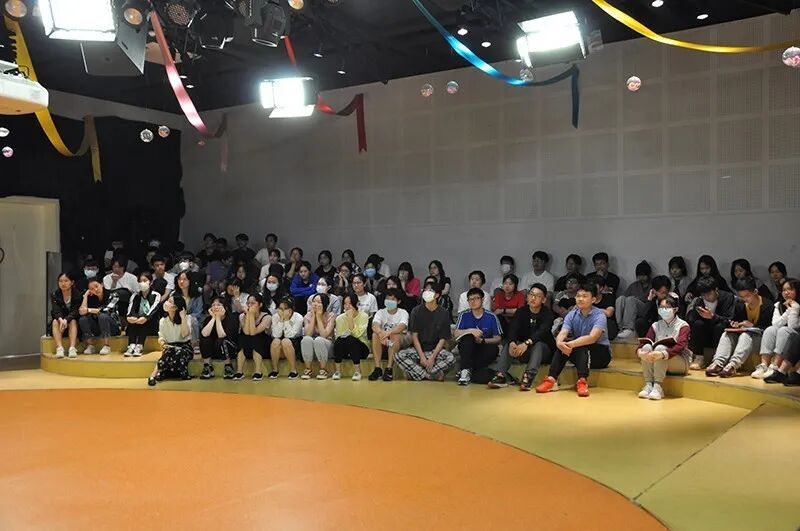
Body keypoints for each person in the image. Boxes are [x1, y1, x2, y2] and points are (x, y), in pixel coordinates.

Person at [536, 282, 610, 397]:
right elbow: (563, 333)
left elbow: (592, 338)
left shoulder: (599, 315)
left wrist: (570, 344)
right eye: (578, 296)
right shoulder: (571, 315)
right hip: (580, 351)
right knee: (564, 346)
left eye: (584, 296)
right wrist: (559, 343)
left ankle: (582, 381)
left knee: (580, 345)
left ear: (593, 300)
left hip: (601, 354)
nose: (580, 299)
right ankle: (551, 379)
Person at [490, 283, 555, 391]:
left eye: (537, 296)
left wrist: (527, 343)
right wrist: (512, 342)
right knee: (509, 344)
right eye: (531, 294)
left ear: (543, 300)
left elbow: (542, 332)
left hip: (543, 352)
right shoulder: (521, 311)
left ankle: (528, 376)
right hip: (524, 350)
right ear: (527, 296)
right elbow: (513, 328)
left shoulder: (548, 314)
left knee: (538, 345)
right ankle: (500, 375)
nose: (533, 298)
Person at [705, 277, 772, 378]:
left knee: (746, 335)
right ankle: (717, 363)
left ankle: (732, 366)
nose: (744, 299)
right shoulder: (740, 304)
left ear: (755, 292)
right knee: (727, 334)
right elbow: (732, 320)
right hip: (741, 338)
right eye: (741, 296)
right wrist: (735, 325)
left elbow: (770, 330)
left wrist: (753, 326)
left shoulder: (767, 305)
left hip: (759, 340)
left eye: (747, 296)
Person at [395, 284, 455, 381]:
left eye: (430, 290)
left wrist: (432, 357)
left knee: (451, 358)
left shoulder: (443, 313)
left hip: (435, 350)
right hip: (418, 350)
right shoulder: (416, 311)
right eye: (426, 290)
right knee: (398, 355)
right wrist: (422, 357)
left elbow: (442, 339)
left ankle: (416, 373)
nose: (427, 292)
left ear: (437, 295)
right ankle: (429, 375)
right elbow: (414, 336)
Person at [636, 295, 691, 400]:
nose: (663, 310)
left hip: (680, 362)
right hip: (659, 361)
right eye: (661, 307)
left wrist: (663, 354)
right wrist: (640, 352)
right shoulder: (656, 325)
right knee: (646, 347)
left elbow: (681, 346)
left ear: (675, 309)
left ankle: (658, 387)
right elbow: (644, 342)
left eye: (667, 308)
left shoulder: (683, 326)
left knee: (660, 348)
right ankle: (649, 384)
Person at [453, 288, 503, 386]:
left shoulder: (491, 316)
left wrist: (482, 341)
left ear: (482, 299)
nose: (473, 301)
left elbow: (498, 338)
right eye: (470, 299)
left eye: (476, 298)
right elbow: (456, 333)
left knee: (493, 349)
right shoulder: (464, 315)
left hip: (484, 347)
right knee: (467, 338)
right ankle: (465, 370)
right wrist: (471, 331)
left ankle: (469, 370)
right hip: (468, 348)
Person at [685, 277, 736, 370]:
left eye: (709, 294)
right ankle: (699, 357)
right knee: (698, 324)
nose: (706, 297)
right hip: (706, 331)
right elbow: (692, 320)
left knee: (720, 327)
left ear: (716, 290)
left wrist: (713, 316)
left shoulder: (728, 297)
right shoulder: (699, 300)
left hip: (721, 331)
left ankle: (720, 359)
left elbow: (730, 319)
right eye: (703, 295)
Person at [755, 279, 799, 381]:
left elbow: (793, 327)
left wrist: (794, 308)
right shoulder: (779, 305)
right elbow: (775, 323)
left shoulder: (797, 306)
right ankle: (764, 365)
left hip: (796, 336)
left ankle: (775, 366)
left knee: (784, 330)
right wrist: (787, 311)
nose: (786, 293)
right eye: (784, 290)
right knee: (770, 329)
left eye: (790, 289)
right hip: (783, 331)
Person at [148, 295, 193, 386]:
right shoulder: (163, 321)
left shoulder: (187, 318)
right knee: (169, 351)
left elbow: (185, 334)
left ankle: (156, 373)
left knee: (177, 352)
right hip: (169, 347)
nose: (166, 303)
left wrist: (183, 317)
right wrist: (163, 343)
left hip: (184, 347)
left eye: (170, 301)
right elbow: (161, 337)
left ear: (175, 307)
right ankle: (153, 375)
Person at [369, 288, 410, 381]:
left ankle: (389, 369)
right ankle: (378, 368)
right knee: (375, 335)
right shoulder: (380, 312)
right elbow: (374, 325)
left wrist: (388, 333)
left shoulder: (403, 312)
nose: (389, 301)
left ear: (398, 301)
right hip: (384, 340)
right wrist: (380, 333)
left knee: (394, 334)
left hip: (399, 341)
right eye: (387, 298)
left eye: (393, 299)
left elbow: (402, 326)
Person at [234, 293, 272, 381]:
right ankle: (239, 371)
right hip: (247, 342)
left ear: (260, 305)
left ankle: (258, 371)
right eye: (248, 303)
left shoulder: (267, 317)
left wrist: (250, 315)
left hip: (263, 344)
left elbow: (254, 332)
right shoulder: (242, 316)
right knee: (242, 338)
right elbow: (247, 332)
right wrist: (249, 315)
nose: (250, 306)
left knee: (256, 339)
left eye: (253, 303)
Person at [333, 293, 371, 381]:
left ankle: (358, 371)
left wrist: (350, 319)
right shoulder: (339, 318)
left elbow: (357, 335)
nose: (347, 306)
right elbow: (339, 336)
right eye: (345, 304)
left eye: (350, 303)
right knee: (339, 340)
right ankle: (337, 371)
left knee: (351, 339)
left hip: (361, 348)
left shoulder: (364, 316)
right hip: (345, 348)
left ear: (356, 304)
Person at [199, 296, 239, 380]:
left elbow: (222, 335)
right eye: (213, 305)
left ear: (225, 307)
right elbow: (204, 334)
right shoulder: (208, 319)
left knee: (221, 341)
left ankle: (228, 366)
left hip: (229, 349)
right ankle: (207, 367)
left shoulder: (232, 318)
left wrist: (218, 318)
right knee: (205, 339)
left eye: (219, 305)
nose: (215, 307)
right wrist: (214, 318)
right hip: (214, 350)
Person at [78, 278, 121, 355]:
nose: (95, 289)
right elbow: (82, 312)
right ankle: (90, 345)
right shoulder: (90, 297)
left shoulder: (113, 294)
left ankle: (106, 346)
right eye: (92, 289)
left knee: (103, 316)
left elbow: (107, 310)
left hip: (112, 327)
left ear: (102, 284)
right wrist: (86, 296)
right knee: (83, 319)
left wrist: (88, 310)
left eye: (96, 286)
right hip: (98, 327)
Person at [124, 272, 162, 357]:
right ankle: (131, 345)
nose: (142, 283)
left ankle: (139, 346)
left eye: (145, 280)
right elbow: (130, 309)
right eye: (140, 281)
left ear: (150, 282)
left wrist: (145, 318)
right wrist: (129, 317)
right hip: (137, 323)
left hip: (151, 323)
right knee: (133, 319)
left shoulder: (156, 295)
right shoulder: (135, 295)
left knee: (143, 319)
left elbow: (153, 309)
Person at [300, 293, 336, 380]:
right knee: (306, 339)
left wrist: (319, 318)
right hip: (312, 348)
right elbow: (307, 334)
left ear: (325, 304)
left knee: (319, 340)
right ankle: (308, 369)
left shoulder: (331, 316)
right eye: (314, 302)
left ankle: (323, 370)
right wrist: (313, 317)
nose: (315, 304)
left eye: (319, 302)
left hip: (328, 347)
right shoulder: (307, 316)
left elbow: (324, 335)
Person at [615, 261, 653, 339]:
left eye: (643, 275)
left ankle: (629, 328)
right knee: (620, 299)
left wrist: (637, 299)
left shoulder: (652, 284)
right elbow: (624, 298)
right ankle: (620, 327)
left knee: (631, 299)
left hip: (646, 308)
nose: (641, 278)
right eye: (639, 275)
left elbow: (651, 301)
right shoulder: (633, 285)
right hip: (631, 309)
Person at [269, 297, 303, 379]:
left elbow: (290, 335)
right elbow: (276, 334)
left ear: (291, 310)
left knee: (285, 341)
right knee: (275, 341)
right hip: (280, 342)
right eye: (280, 309)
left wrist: (287, 319)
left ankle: (293, 370)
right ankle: (275, 370)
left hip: (294, 342)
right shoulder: (275, 317)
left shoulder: (298, 317)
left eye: (285, 309)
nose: (282, 311)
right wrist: (281, 320)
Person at [50, 272, 81, 358]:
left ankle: (72, 348)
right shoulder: (55, 294)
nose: (63, 283)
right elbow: (55, 310)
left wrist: (66, 320)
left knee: (73, 321)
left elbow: (75, 311)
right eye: (60, 281)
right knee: (55, 322)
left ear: (72, 282)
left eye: (66, 281)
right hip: (61, 320)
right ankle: (59, 348)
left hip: (72, 320)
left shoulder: (78, 294)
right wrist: (61, 319)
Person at [175, 270, 204, 353]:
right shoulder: (174, 295)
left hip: (194, 319)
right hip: (179, 318)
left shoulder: (197, 295)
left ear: (190, 281)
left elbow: (198, 312)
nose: (181, 281)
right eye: (179, 279)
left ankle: (195, 344)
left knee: (192, 320)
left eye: (184, 279)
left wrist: (187, 317)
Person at [592, 276, 618, 341]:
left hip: (606, 324)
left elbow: (609, 313)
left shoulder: (608, 297)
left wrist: (591, 308)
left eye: (594, 286)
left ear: (601, 288)